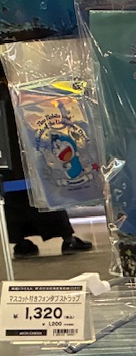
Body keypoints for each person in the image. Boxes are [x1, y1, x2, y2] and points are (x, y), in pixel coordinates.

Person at [0, 63, 93, 259]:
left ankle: (21, 243)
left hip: (7, 160)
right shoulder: (18, 90)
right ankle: (67, 238)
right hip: (26, 145)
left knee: (13, 193)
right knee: (44, 188)